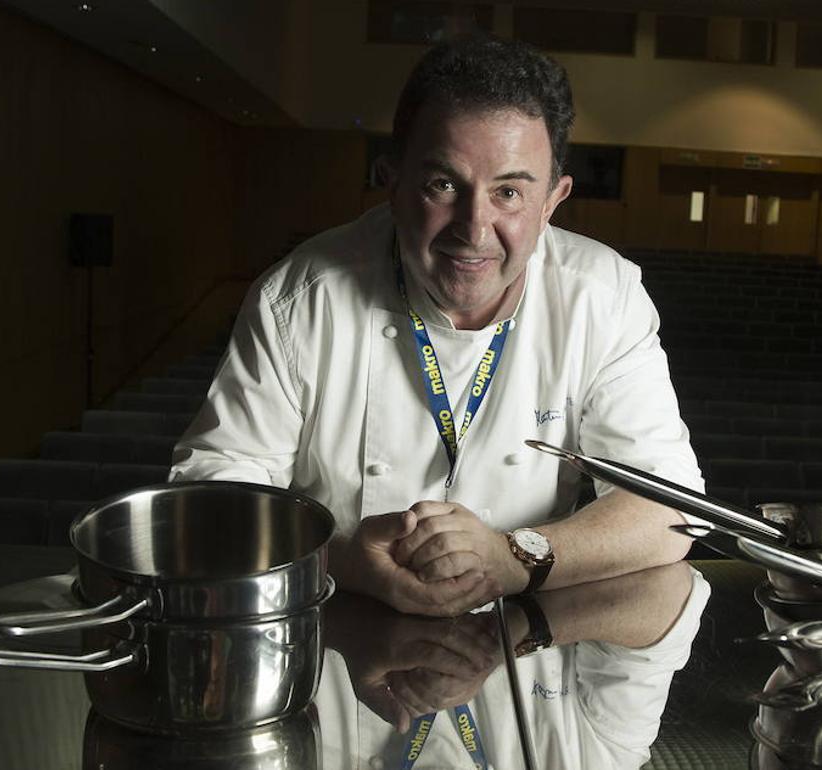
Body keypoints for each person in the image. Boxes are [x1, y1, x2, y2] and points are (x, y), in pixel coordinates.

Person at [170, 35, 702, 616]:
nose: (473, 229)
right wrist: (338, 559)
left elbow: (671, 509)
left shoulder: (604, 297)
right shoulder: (298, 298)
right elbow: (213, 496)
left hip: (525, 632)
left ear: (553, 200)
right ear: (393, 182)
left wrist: (515, 558)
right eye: (443, 185)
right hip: (337, 620)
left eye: (509, 192)